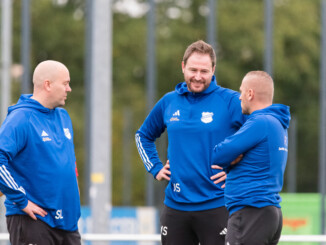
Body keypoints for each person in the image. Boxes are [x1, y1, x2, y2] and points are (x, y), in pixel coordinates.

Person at [135, 40, 246, 245]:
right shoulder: (169, 101)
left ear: (213, 70)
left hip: (218, 205)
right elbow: (143, 136)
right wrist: (155, 167)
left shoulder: (231, 101)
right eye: (193, 69)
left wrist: (236, 171)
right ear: (183, 66)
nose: (197, 76)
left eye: (204, 71)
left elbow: (259, 137)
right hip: (175, 207)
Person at [0, 60, 81, 245]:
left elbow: (69, 165)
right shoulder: (21, 118)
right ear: (48, 85)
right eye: (65, 83)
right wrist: (21, 200)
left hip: (68, 224)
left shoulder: (63, 117)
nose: (69, 89)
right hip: (35, 220)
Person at [211, 71, 290, 245]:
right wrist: (232, 162)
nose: (239, 97)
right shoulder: (278, 123)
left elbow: (219, 154)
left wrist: (228, 160)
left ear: (250, 93)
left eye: (241, 91)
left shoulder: (260, 122)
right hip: (267, 212)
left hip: (251, 212)